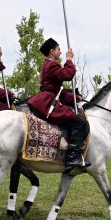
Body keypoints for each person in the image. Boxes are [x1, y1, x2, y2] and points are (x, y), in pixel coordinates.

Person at [27, 38, 91, 172]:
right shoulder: (52, 65)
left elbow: (56, 90)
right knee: (81, 123)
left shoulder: (47, 64)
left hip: (49, 97)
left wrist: (74, 97)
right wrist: (69, 60)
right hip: (48, 103)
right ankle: (72, 157)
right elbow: (67, 75)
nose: (60, 52)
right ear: (52, 51)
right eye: (58, 49)